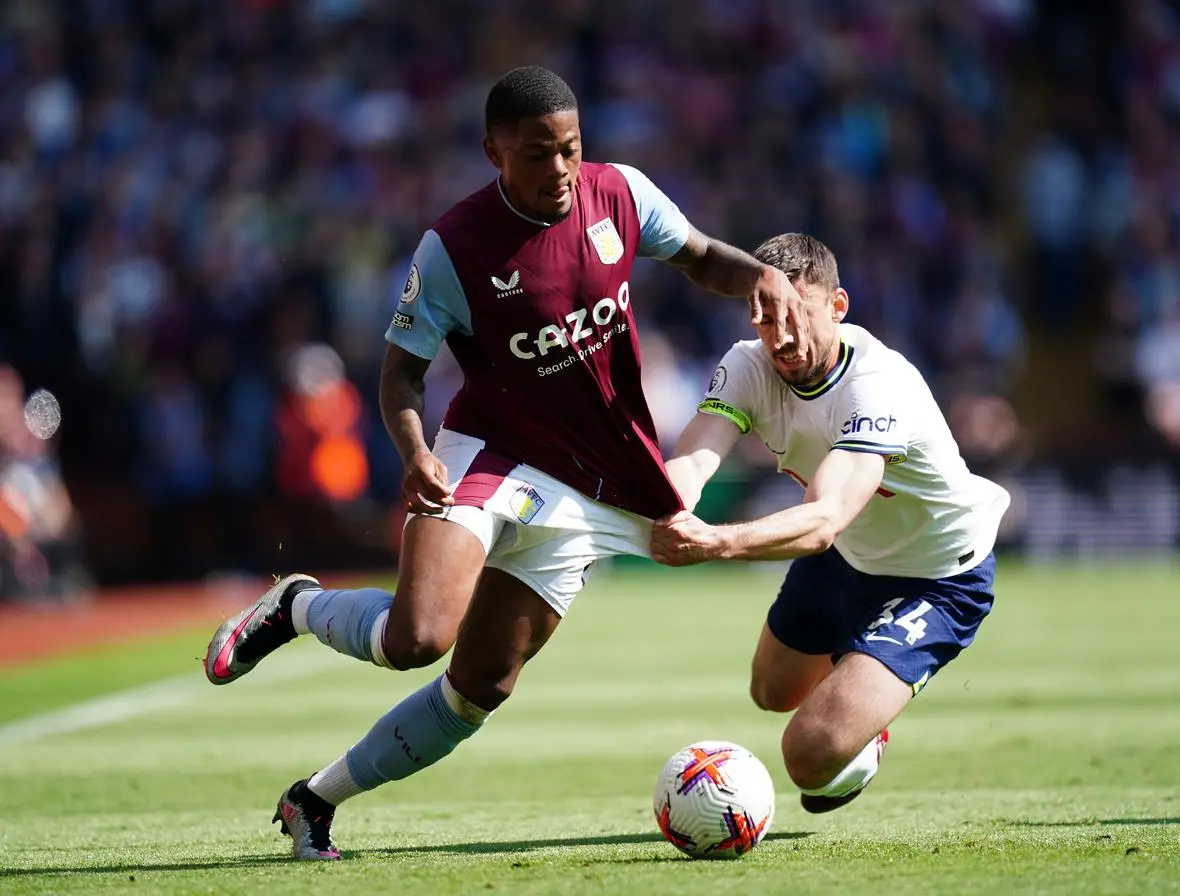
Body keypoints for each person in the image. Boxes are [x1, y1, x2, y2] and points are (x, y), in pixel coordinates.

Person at [201, 66, 811, 860]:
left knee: (479, 687)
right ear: (494, 152)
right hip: (491, 456)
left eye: (569, 149)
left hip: (598, 476)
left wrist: (761, 274)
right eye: (536, 154)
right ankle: (297, 606)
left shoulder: (619, 194)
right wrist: (417, 452)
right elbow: (400, 374)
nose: (559, 170)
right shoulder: (454, 248)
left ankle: (313, 800)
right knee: (415, 639)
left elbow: (698, 256)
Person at [650, 232, 1009, 814]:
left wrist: (717, 541)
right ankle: (858, 678)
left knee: (810, 755)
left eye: (797, 315)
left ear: (837, 307)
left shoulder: (878, 383)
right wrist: (670, 506)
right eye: (765, 318)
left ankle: (865, 710)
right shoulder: (747, 364)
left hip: (937, 577)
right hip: (849, 558)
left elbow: (823, 521)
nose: (781, 336)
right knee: (770, 692)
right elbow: (695, 459)